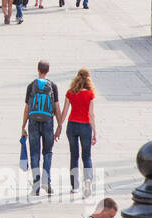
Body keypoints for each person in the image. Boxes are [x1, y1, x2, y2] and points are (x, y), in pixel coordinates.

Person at [21, 60, 63, 196]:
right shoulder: (53, 86)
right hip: (48, 122)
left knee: (34, 153)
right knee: (47, 152)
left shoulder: (31, 86)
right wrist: (60, 125)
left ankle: (36, 184)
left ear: (38, 69)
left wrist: (23, 125)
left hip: (33, 121)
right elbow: (56, 107)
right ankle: (47, 181)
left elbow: (27, 108)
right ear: (48, 71)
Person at [59, 67, 98, 194]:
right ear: (88, 79)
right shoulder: (90, 94)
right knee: (86, 156)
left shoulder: (70, 93)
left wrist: (59, 126)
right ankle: (87, 180)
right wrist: (95, 131)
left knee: (74, 156)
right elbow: (91, 114)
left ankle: (74, 186)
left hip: (72, 125)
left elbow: (64, 112)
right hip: (85, 126)